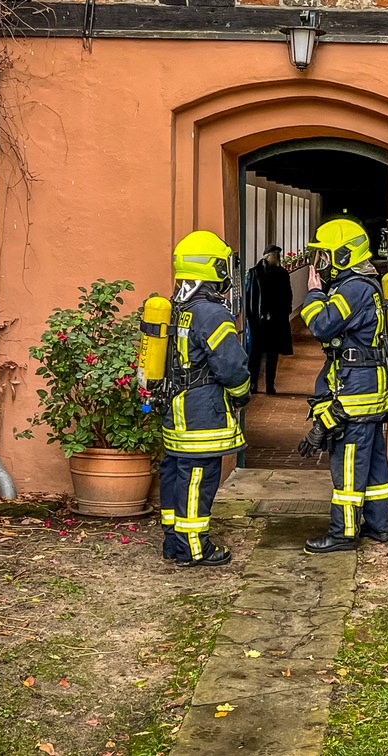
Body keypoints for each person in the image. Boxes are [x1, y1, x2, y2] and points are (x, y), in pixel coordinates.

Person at [297, 219, 388, 554]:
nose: (320, 264)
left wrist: (312, 293)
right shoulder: (365, 284)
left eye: (324, 257)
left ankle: (343, 533)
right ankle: (379, 524)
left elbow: (324, 326)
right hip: (370, 388)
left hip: (355, 392)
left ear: (342, 255)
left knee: (350, 464)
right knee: (374, 462)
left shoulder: (353, 288)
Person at [158, 230, 251, 567]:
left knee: (176, 473)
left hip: (176, 410)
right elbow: (232, 366)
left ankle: (174, 541)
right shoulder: (211, 314)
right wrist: (241, 397)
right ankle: (194, 548)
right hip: (202, 412)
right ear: (215, 270)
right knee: (198, 478)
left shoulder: (175, 307)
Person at [244, 244, 294, 394]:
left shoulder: (283, 274)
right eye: (275, 255)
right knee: (255, 353)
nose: (278, 258)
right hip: (257, 321)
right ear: (267, 257)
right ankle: (253, 383)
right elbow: (248, 296)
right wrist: (249, 316)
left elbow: (287, 294)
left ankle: (270, 385)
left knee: (273, 354)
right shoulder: (254, 273)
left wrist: (285, 311)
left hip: (276, 321)